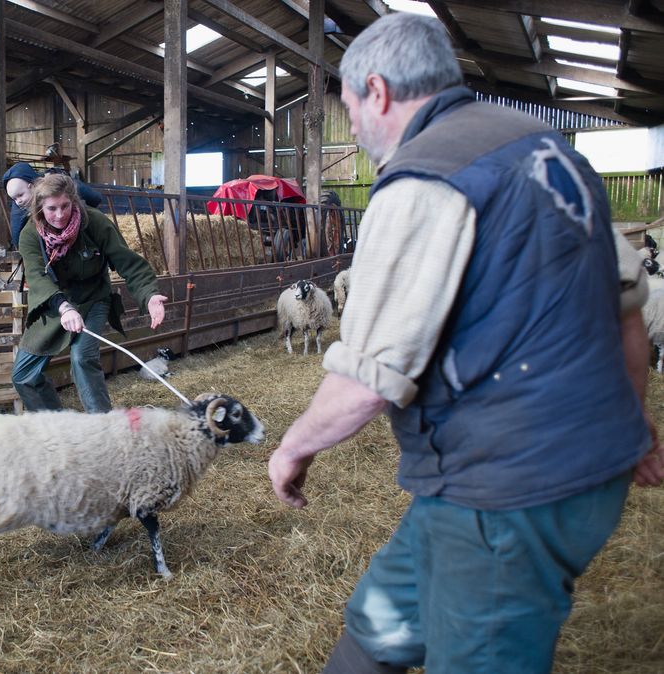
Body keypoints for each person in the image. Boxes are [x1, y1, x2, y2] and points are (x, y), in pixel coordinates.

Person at [266, 13, 664, 674]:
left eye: (348, 107)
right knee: (382, 620)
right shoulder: (549, 149)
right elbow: (627, 307)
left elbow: (370, 374)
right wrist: (630, 419)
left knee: (480, 656)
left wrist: (293, 445)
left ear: (378, 92)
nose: (355, 126)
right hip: (553, 479)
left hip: (507, 490)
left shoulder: (426, 176)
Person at [12, 172, 167, 413]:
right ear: (40, 207)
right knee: (23, 375)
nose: (60, 215)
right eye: (52, 208)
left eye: (65, 206)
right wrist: (64, 307)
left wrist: (150, 295)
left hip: (93, 298)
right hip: (53, 304)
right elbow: (37, 277)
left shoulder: (94, 222)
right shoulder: (30, 235)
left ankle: (102, 426)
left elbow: (129, 263)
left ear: (74, 201)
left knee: (82, 359)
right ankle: (55, 426)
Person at [2, 161, 103, 247]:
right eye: (14, 198)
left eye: (20, 195)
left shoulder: (56, 185)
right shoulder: (20, 205)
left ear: (32, 186)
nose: (18, 201)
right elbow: (18, 240)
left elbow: (94, 198)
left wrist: (89, 213)